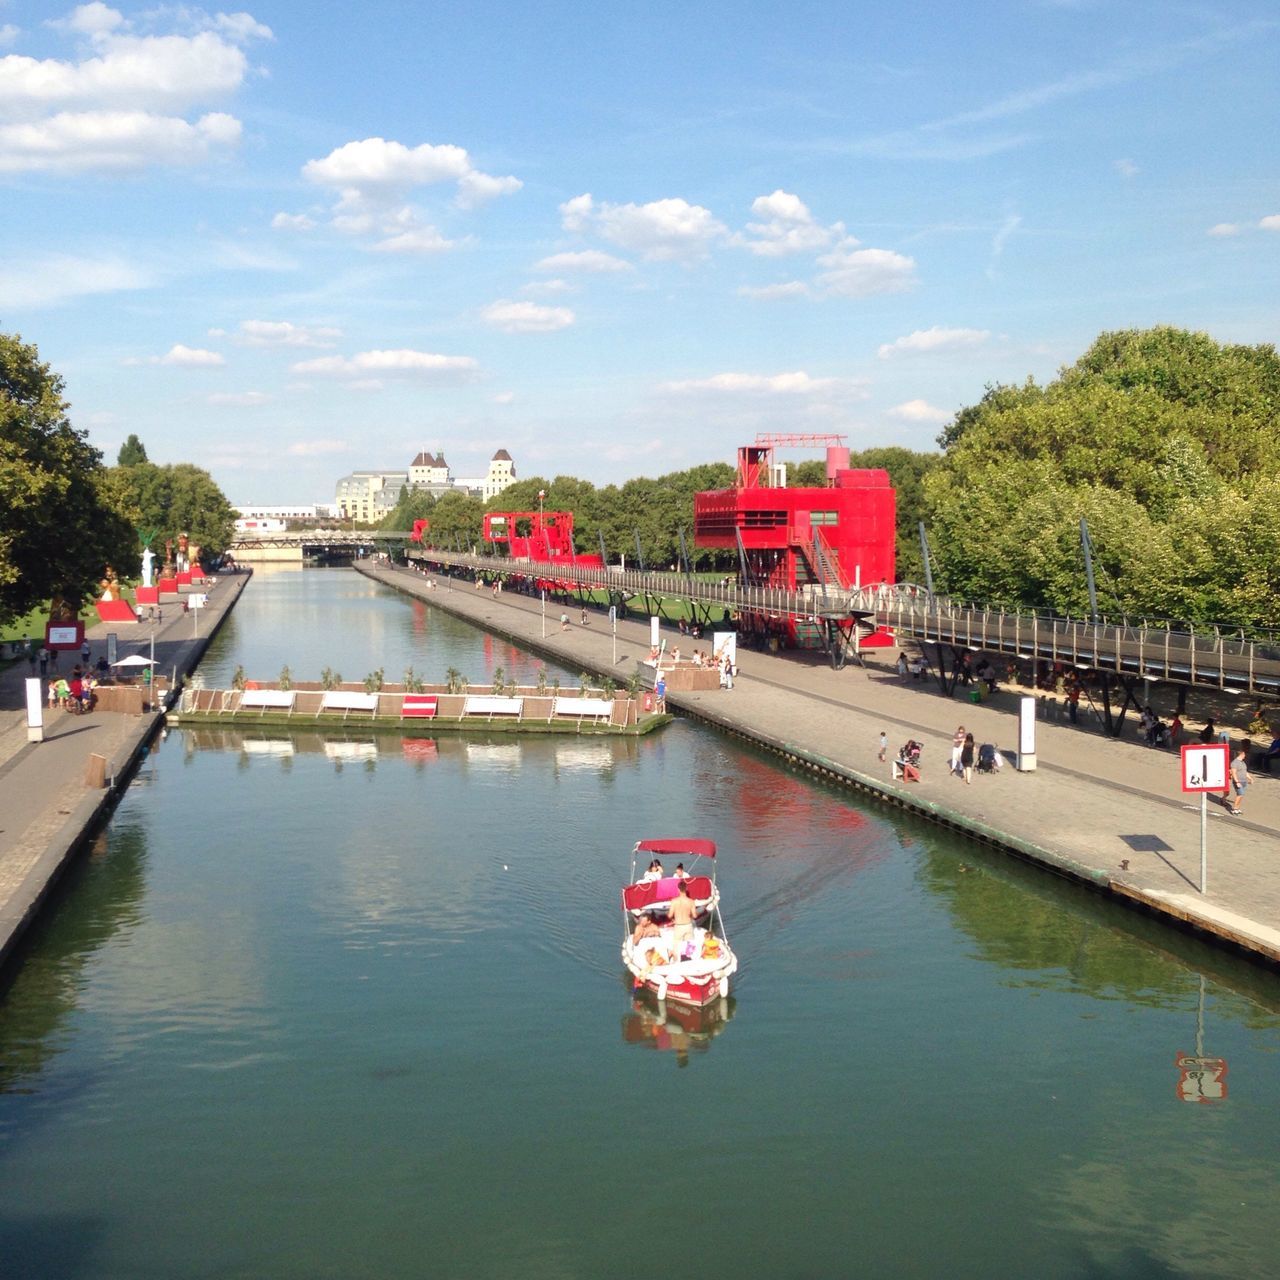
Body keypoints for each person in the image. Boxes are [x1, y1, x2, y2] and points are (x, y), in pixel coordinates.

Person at [668, 880, 698, 952]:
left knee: (676, 948)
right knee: (690, 949)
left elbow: (669, 915)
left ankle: (676, 961)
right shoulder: (691, 901)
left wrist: (673, 919)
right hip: (688, 925)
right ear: (686, 889)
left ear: (678, 889)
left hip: (678, 926)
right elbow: (695, 916)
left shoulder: (674, 901)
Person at [1228, 744, 1251, 816]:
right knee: (1240, 794)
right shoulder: (1234, 763)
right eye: (1244, 754)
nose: (1245, 755)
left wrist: (1250, 778)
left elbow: (1245, 771)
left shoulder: (1243, 762)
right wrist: (1237, 782)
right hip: (1238, 781)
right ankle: (1234, 809)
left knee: (1241, 795)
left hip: (1244, 781)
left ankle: (1237, 808)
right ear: (1241, 754)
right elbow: (1234, 773)